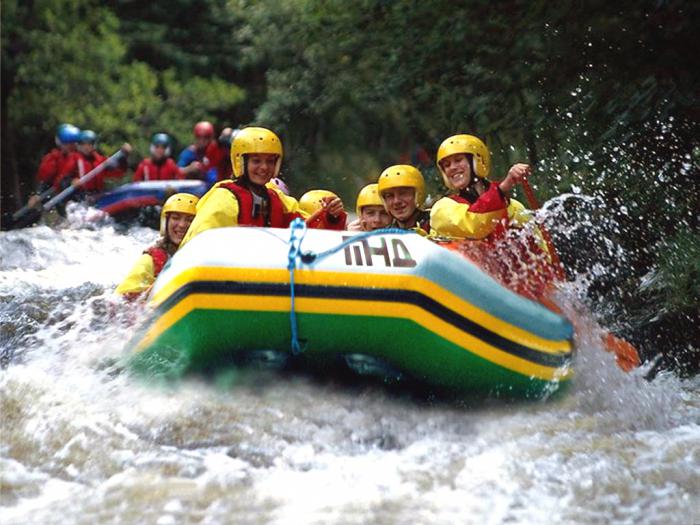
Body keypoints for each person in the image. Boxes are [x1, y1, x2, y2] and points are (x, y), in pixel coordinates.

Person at [180, 126, 313, 247]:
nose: (264, 167)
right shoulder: (224, 198)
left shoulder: (277, 199)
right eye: (256, 161)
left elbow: (310, 228)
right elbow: (197, 245)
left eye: (270, 161)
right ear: (241, 162)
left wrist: (331, 215)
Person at [429, 134, 531, 240]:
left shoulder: (513, 207)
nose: (452, 168)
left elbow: (537, 249)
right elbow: (474, 225)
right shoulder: (442, 209)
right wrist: (501, 189)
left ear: (478, 161)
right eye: (447, 165)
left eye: (458, 160)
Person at [116, 193, 198, 297]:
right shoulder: (149, 260)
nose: (182, 225)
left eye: (190, 220)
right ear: (165, 222)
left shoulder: (202, 257)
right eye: (175, 218)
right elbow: (122, 301)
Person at [54, 130, 131, 194]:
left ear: (94, 145)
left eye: (90, 144)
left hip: (97, 196)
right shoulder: (73, 158)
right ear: (79, 145)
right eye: (84, 144)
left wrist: (123, 157)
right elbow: (62, 179)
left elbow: (118, 173)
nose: (87, 147)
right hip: (79, 197)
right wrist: (71, 181)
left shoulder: (100, 160)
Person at [377, 164, 431, 235]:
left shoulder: (436, 224)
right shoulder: (386, 235)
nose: (396, 201)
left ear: (418, 195)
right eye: (389, 196)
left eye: (403, 193)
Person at [133, 133, 200, 181]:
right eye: (157, 147)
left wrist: (189, 169)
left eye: (163, 147)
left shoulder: (170, 164)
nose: (159, 150)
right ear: (152, 148)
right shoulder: (144, 165)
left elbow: (179, 176)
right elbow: (136, 183)